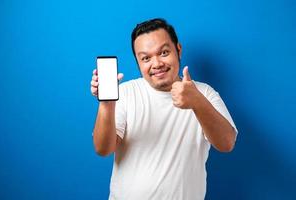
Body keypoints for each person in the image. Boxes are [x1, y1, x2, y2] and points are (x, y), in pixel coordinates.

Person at [90, 18, 237, 200]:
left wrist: (197, 102)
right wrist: (106, 104)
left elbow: (226, 143)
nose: (157, 63)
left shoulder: (204, 93)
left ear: (178, 50)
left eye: (164, 52)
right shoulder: (125, 93)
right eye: (146, 58)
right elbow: (103, 149)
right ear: (138, 62)